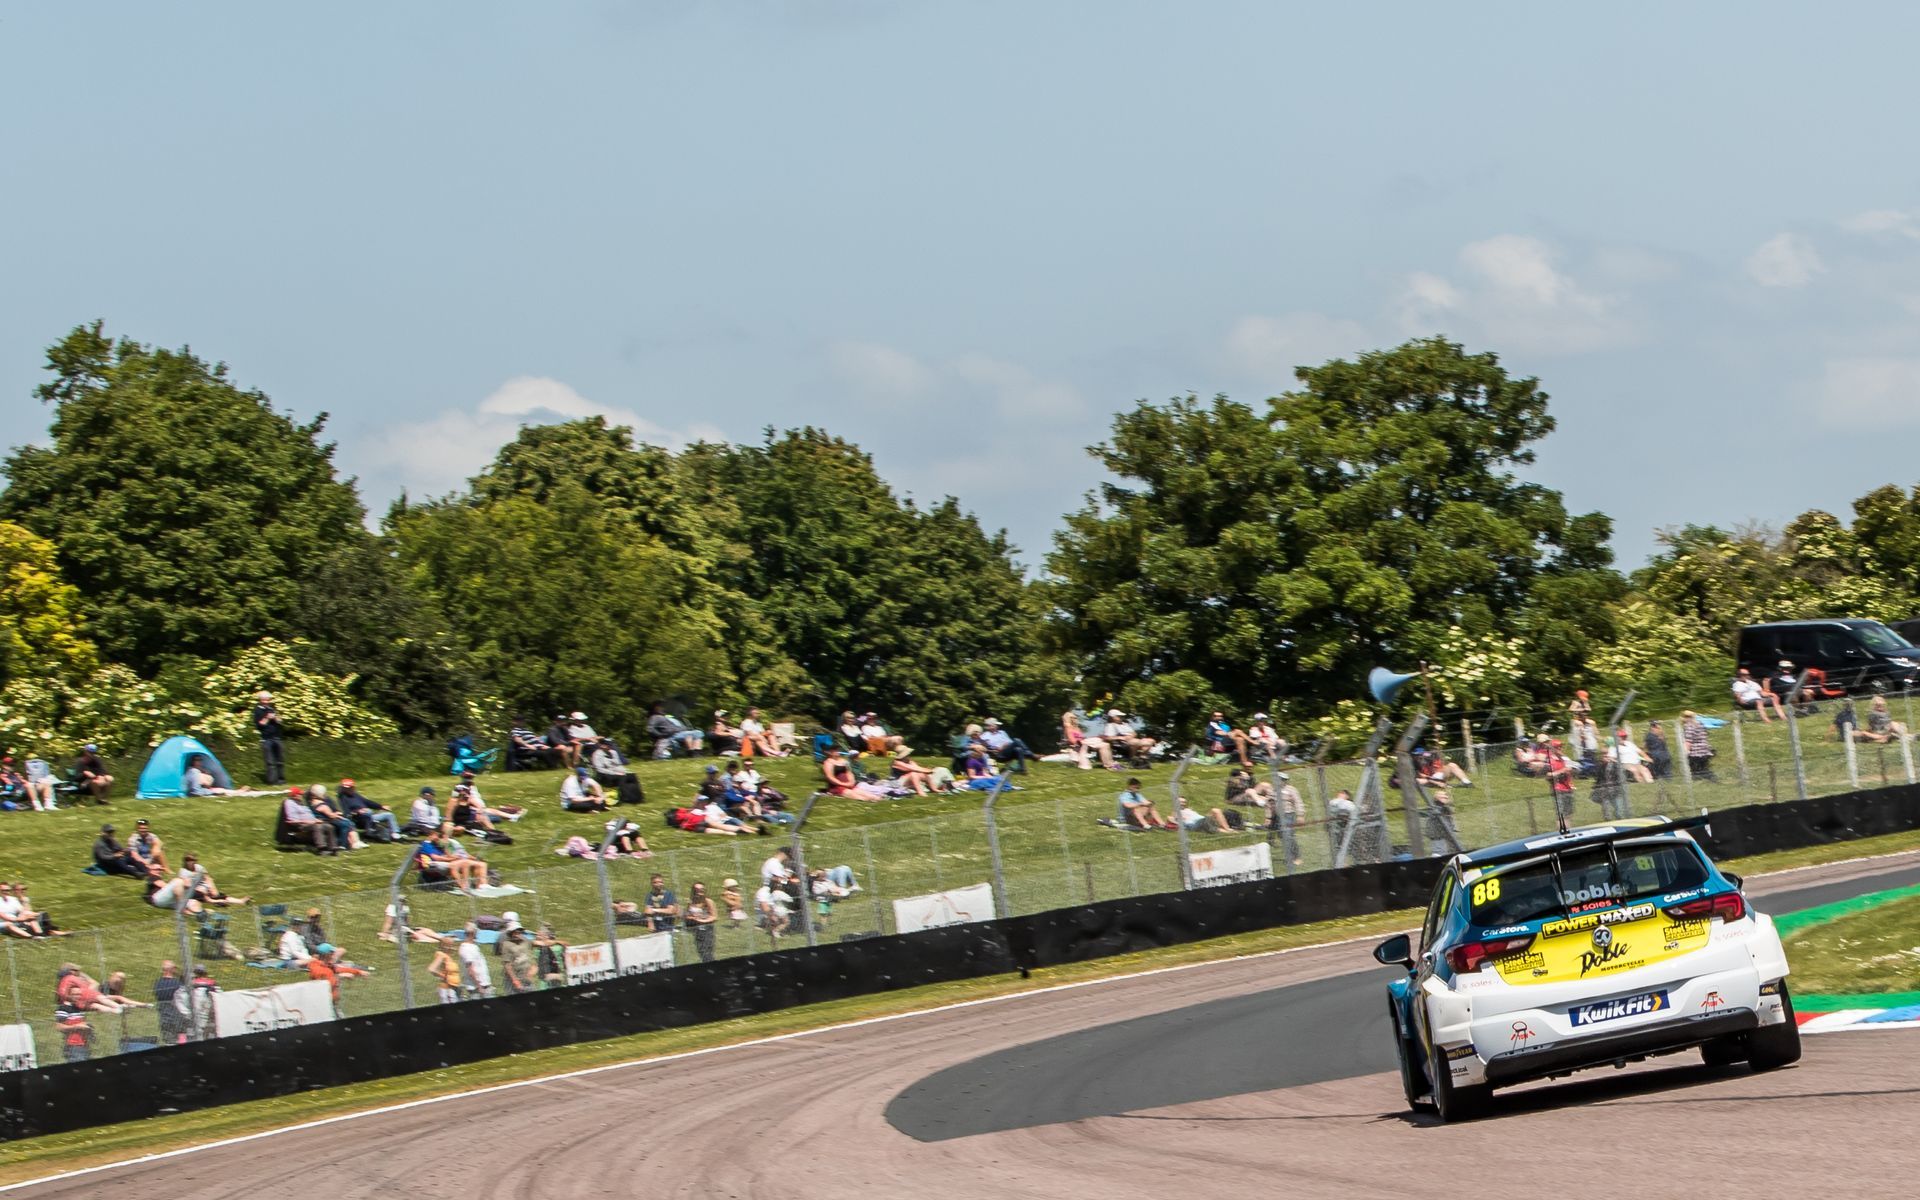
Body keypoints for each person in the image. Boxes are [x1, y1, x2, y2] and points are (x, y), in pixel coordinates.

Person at [415, 830, 487, 893]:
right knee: (461, 863)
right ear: (431, 835)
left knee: (478, 864)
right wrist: (451, 859)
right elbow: (435, 857)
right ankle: (464, 886)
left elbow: (448, 855)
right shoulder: (426, 844)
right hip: (433, 864)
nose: (438, 838)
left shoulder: (439, 844)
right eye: (437, 835)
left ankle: (481, 885)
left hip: (447, 861)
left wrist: (448, 849)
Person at [338, 778, 403, 842]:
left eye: (350, 788)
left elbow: (367, 802)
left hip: (369, 816)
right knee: (368, 812)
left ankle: (395, 834)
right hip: (359, 819)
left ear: (353, 787)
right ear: (343, 789)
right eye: (346, 788)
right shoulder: (343, 798)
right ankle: (369, 833)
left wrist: (381, 806)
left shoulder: (356, 795)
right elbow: (347, 812)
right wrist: (358, 811)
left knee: (389, 815)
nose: (348, 789)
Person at [282, 788, 340, 854]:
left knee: (329, 826)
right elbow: (292, 820)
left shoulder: (300, 803)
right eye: (300, 794)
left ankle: (333, 847)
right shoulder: (290, 804)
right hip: (300, 826)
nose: (302, 795)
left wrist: (316, 820)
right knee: (317, 827)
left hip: (311, 823)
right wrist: (313, 822)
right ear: (294, 795)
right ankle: (321, 848)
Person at [589, 739, 646, 806]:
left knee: (632, 776)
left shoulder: (613, 752)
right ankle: (624, 798)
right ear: (602, 746)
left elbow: (618, 764)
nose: (610, 747)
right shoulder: (597, 754)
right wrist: (615, 773)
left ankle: (638, 797)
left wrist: (624, 771)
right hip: (604, 775)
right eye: (608, 745)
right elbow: (600, 769)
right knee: (621, 777)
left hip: (616, 772)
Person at [179, 853, 247, 907]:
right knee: (205, 896)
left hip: (204, 888)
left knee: (218, 895)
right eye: (187, 860)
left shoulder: (199, 868)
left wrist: (213, 889)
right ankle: (218, 902)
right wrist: (199, 889)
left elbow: (208, 878)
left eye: (192, 860)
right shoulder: (183, 871)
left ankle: (240, 901)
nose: (190, 862)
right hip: (194, 892)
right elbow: (186, 886)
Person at [306, 784, 360, 849]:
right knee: (346, 824)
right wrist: (337, 815)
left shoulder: (312, 802)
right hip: (327, 820)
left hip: (323, 820)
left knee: (346, 823)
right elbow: (330, 816)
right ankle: (342, 844)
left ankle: (352, 842)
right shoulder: (322, 805)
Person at [252, 691, 286, 785]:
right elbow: (260, 724)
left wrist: (276, 718)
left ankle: (281, 780)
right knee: (270, 762)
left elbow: (280, 721)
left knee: (280, 760)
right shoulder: (257, 711)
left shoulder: (272, 709)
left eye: (268, 700)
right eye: (264, 700)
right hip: (266, 739)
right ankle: (271, 781)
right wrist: (267, 718)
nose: (266, 702)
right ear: (260, 700)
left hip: (276, 737)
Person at [499, 920, 537, 994]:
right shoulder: (507, 945)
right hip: (515, 980)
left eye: (519, 931)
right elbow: (507, 965)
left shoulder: (525, 941)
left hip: (527, 978)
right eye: (515, 932)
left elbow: (537, 944)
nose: (517, 934)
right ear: (510, 933)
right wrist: (515, 980)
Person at [1546, 739, 1576, 828]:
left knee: (1568, 813)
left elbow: (1575, 767)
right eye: (1557, 747)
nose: (1560, 748)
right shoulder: (1550, 761)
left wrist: (1573, 769)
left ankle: (1569, 832)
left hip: (1568, 788)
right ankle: (1563, 833)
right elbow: (1548, 776)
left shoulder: (1565, 759)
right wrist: (1562, 771)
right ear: (1552, 749)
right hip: (1558, 790)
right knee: (1561, 815)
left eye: (1561, 746)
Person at [153, 961, 186, 1043]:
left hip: (164, 1018)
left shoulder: (157, 984)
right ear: (173, 969)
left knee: (169, 1042)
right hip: (178, 1017)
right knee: (182, 1040)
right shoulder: (178, 984)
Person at [684, 882, 718, 962]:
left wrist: (701, 920)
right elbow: (687, 914)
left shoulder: (708, 901)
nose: (699, 892)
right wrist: (690, 917)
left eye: (701, 890)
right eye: (697, 890)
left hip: (707, 930)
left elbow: (714, 917)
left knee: (707, 952)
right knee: (701, 951)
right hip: (696, 931)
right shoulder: (691, 902)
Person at [1680, 711, 1718, 781]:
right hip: (1705, 750)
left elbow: (1688, 741)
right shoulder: (1700, 724)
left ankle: (1700, 783)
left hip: (1695, 752)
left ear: (1685, 718)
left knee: (1695, 771)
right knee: (1704, 768)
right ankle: (1712, 780)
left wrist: (1686, 752)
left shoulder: (1689, 726)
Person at [457, 924, 493, 998]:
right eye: (476, 932)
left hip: (484, 984)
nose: (477, 934)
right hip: (477, 987)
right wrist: (479, 986)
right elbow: (470, 970)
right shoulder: (466, 948)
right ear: (472, 933)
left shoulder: (473, 946)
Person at [1175, 795, 1241, 833]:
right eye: (1180, 802)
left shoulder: (1188, 809)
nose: (1182, 803)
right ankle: (1228, 830)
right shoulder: (1176, 811)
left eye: (1184, 802)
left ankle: (1229, 830)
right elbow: (1171, 819)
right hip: (1194, 824)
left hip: (1202, 819)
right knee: (1214, 811)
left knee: (1221, 811)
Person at [428, 937, 463, 1003]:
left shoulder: (448, 956)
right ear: (445, 946)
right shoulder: (441, 955)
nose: (453, 947)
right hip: (447, 990)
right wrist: (443, 976)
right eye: (451, 945)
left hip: (454, 988)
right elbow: (431, 969)